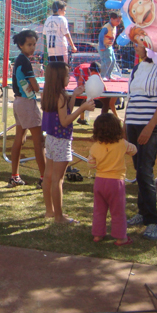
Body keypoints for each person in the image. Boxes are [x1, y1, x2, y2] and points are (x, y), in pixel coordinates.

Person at [124, 41, 157, 241]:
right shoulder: (136, 68)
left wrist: (150, 127)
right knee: (139, 170)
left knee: (144, 170)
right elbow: (131, 99)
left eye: (139, 43)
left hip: (152, 126)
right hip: (133, 124)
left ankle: (153, 221)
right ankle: (143, 212)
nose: (135, 46)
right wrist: (125, 126)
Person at [41, 62, 94, 223]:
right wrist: (82, 108)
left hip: (50, 139)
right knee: (58, 179)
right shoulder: (61, 96)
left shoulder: (50, 94)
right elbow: (65, 121)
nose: (69, 77)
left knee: (48, 177)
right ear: (59, 78)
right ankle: (59, 216)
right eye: (67, 75)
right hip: (61, 141)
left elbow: (64, 111)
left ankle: (50, 211)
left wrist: (75, 96)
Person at [88, 113, 137, 245]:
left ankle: (98, 235)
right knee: (118, 211)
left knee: (99, 210)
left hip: (99, 181)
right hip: (116, 182)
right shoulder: (122, 144)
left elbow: (91, 164)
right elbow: (134, 150)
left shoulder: (95, 147)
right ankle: (121, 237)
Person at [8, 29, 46, 188]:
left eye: (34, 44)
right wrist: (35, 85)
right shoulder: (25, 61)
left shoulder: (19, 59)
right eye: (29, 44)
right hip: (26, 103)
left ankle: (14, 176)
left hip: (18, 102)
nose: (32, 47)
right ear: (21, 45)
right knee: (39, 141)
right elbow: (36, 87)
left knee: (20, 138)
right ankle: (45, 178)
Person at [74, 61, 101, 126]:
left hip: (86, 72)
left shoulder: (96, 72)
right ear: (90, 71)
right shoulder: (82, 71)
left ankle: (81, 118)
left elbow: (101, 83)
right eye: (93, 74)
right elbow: (80, 85)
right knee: (83, 92)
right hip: (78, 72)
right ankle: (81, 118)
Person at [98, 12, 122, 80]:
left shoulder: (114, 27)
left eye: (119, 21)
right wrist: (102, 46)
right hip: (104, 46)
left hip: (109, 46)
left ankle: (109, 75)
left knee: (113, 61)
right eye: (117, 21)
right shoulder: (107, 27)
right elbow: (101, 36)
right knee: (107, 61)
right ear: (112, 19)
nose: (118, 22)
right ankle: (102, 76)